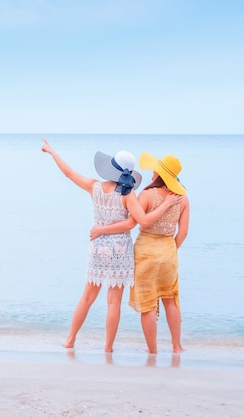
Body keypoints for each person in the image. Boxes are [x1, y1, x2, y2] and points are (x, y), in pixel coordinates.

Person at [41, 139, 181, 352]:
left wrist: (53, 152)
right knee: (113, 303)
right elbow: (135, 223)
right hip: (120, 251)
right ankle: (108, 347)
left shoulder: (94, 187)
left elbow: (68, 173)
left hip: (98, 248)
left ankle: (70, 339)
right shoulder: (128, 195)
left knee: (87, 297)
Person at [92, 152, 190, 354]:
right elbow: (184, 232)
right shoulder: (182, 199)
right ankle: (177, 346)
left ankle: (152, 350)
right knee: (170, 300)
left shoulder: (146, 195)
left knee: (147, 304)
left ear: (157, 173)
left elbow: (138, 221)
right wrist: (171, 249)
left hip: (145, 252)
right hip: (168, 252)